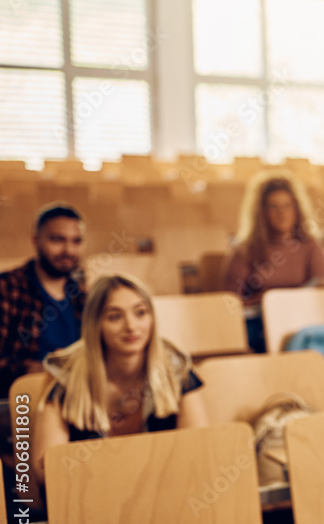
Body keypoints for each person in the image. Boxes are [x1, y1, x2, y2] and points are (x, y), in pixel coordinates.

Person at [33, 273, 209, 483]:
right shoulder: (66, 377)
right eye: (115, 316)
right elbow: (47, 471)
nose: (131, 326)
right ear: (95, 324)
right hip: (91, 501)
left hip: (165, 493)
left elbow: (199, 452)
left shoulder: (175, 370)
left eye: (140, 313)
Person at [223, 171, 324, 352]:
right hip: (259, 327)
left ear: (296, 209)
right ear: (262, 212)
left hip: (302, 322)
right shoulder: (245, 250)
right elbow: (229, 303)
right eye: (274, 207)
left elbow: (319, 288)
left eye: (287, 206)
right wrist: (268, 302)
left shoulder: (310, 246)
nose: (282, 213)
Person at [0, 203, 86, 398]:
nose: (68, 250)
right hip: (21, 404)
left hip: (76, 402)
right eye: (57, 240)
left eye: (76, 241)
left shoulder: (82, 297)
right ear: (36, 240)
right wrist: (39, 369)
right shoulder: (8, 288)